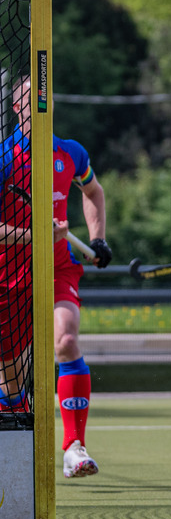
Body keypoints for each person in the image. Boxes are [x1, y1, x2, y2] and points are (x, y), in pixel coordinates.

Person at [0, 76, 113, 479]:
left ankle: (74, 447)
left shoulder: (71, 153)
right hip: (10, 270)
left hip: (59, 265)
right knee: (12, 380)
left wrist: (97, 239)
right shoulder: (5, 157)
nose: (39, 107)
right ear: (17, 108)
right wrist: (35, 236)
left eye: (44, 100)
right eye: (31, 101)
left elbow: (94, 192)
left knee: (66, 339)